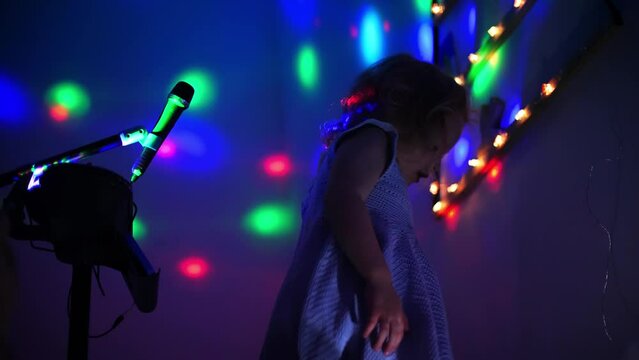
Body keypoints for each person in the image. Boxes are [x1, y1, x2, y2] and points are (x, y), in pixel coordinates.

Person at [261, 54, 467, 359]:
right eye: (435, 150)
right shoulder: (376, 136)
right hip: (351, 318)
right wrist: (380, 279)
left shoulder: (369, 166)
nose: (431, 171)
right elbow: (344, 198)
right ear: (409, 116)